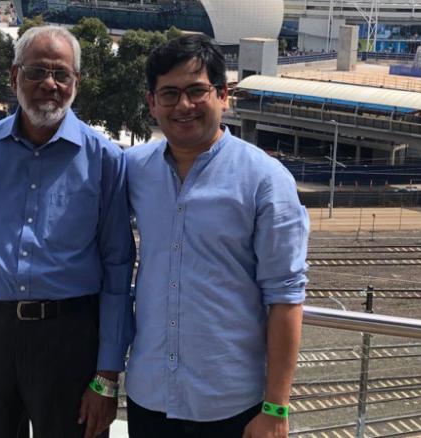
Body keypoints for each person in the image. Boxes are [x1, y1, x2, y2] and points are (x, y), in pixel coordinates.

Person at [0, 25, 134, 438]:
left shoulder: (106, 159)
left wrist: (107, 377)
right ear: (13, 76)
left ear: (77, 82)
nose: (50, 85)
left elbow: (118, 271)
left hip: (71, 338)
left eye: (62, 74)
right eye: (36, 72)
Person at [124, 34, 309, 437]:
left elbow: (286, 295)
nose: (183, 106)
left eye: (196, 91)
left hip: (230, 406)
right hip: (148, 397)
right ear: (151, 102)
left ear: (223, 95)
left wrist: (276, 407)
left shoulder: (265, 180)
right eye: (169, 94)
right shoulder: (133, 169)